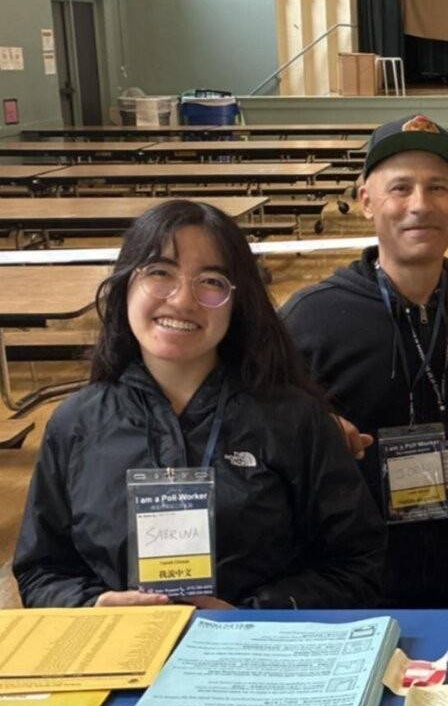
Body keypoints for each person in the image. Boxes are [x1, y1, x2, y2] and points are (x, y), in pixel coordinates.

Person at [15, 199, 384, 609]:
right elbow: (42, 569)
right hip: (122, 663)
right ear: (125, 285)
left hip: (259, 658)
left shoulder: (295, 420)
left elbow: (357, 564)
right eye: (159, 272)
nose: (182, 299)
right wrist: (95, 609)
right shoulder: (75, 424)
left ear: (236, 302)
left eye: (211, 281)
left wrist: (252, 615)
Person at [281, 114, 448, 608]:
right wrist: (313, 426)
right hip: (356, 586)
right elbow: (262, 438)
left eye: (438, 188)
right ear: (367, 200)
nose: (420, 205)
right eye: (401, 188)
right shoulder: (312, 317)